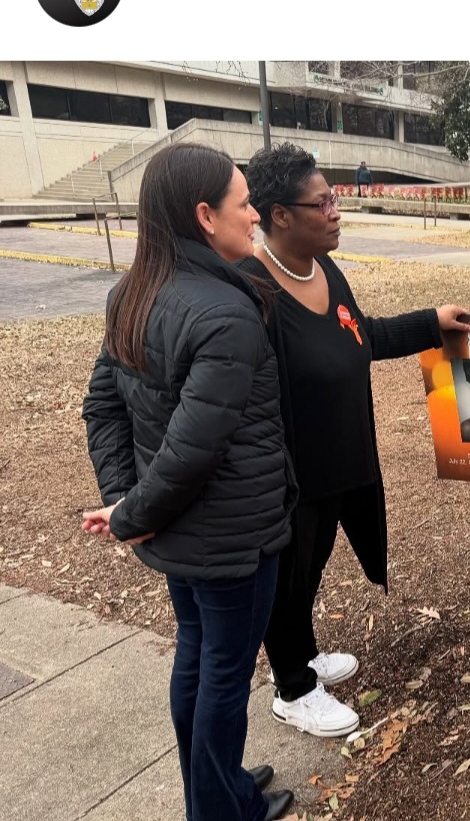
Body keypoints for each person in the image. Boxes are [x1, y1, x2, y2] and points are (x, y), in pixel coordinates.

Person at [81, 143, 296, 821]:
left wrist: (128, 502)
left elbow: (105, 409)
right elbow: (190, 451)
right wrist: (128, 511)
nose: (255, 214)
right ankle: (220, 809)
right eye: (243, 203)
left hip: (179, 532)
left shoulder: (133, 292)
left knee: (198, 659)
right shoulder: (225, 316)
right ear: (205, 216)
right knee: (222, 677)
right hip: (233, 538)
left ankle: (220, 785)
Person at [239, 143, 470, 737]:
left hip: (344, 464)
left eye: (334, 197)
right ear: (281, 215)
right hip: (291, 478)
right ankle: (292, 689)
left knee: (310, 573)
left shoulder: (323, 269)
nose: (337, 210)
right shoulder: (251, 290)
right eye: (324, 202)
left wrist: (427, 323)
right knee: (288, 579)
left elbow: (358, 335)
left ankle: (304, 655)